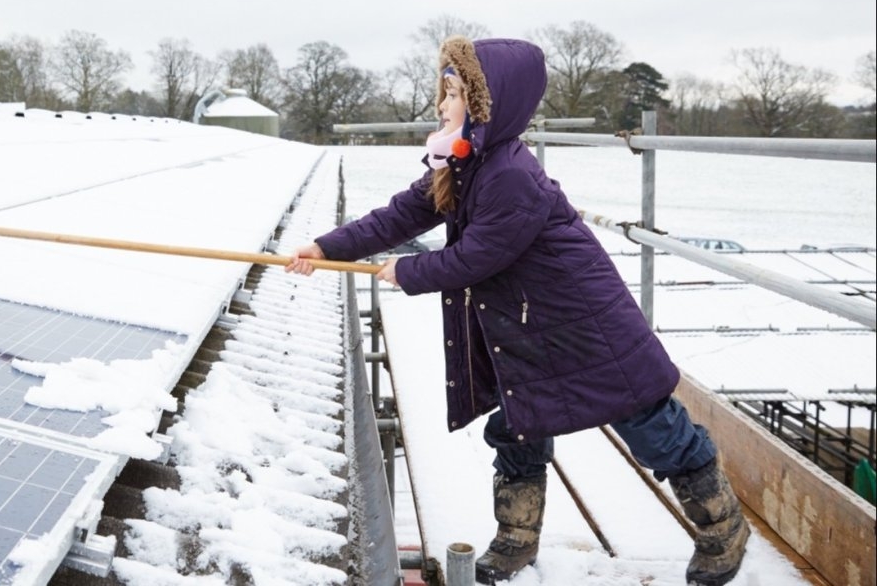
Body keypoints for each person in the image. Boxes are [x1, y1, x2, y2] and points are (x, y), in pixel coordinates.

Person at [285, 36, 750, 586]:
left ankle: (723, 527)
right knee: (518, 423)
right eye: (444, 91)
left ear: (486, 105)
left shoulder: (509, 173)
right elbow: (403, 213)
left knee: (650, 425)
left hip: (585, 323)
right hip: (528, 324)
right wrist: (329, 246)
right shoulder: (463, 161)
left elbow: (480, 256)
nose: (442, 104)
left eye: (455, 93)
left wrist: (408, 272)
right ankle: (517, 535)